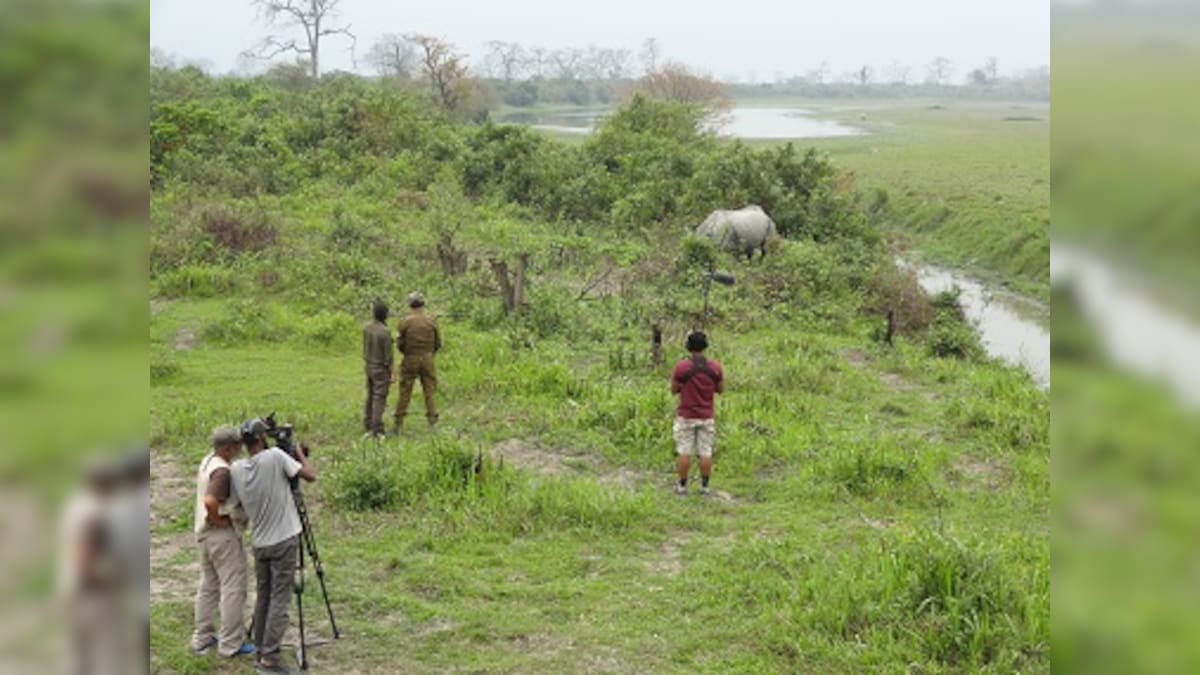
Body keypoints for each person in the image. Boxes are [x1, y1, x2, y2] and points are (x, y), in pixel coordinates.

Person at [230, 418, 317, 674]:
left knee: (264, 597)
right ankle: (269, 658)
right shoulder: (276, 457)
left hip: (260, 543)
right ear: (261, 438)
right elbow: (310, 476)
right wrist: (299, 453)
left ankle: (260, 648)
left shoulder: (236, 468)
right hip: (284, 539)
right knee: (281, 598)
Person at [190, 427, 255, 658]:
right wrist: (219, 519)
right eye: (237, 446)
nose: (240, 450)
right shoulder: (222, 471)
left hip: (204, 534)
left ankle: (202, 637)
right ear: (228, 448)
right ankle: (230, 644)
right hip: (221, 536)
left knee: (208, 586)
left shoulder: (208, 460)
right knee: (233, 589)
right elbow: (210, 500)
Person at [670, 331, 724, 496]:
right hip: (706, 415)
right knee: (705, 451)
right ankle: (705, 487)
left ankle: (682, 487)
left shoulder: (681, 367)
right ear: (705, 346)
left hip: (686, 415)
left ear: (688, 346)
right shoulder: (715, 367)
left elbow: (673, 390)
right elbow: (720, 390)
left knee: (684, 451)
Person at [393, 291, 441, 432]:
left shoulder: (404, 322)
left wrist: (408, 353)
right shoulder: (431, 320)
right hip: (427, 358)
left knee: (405, 389)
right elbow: (438, 343)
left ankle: (399, 422)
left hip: (410, 358)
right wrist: (429, 354)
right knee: (429, 389)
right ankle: (432, 421)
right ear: (423, 304)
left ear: (410, 305)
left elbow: (400, 343)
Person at [362, 298, 395, 436]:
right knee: (379, 397)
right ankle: (377, 428)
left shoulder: (367, 327)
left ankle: (368, 422)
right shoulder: (385, 332)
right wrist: (393, 373)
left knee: (370, 395)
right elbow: (388, 357)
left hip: (369, 365)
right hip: (381, 368)